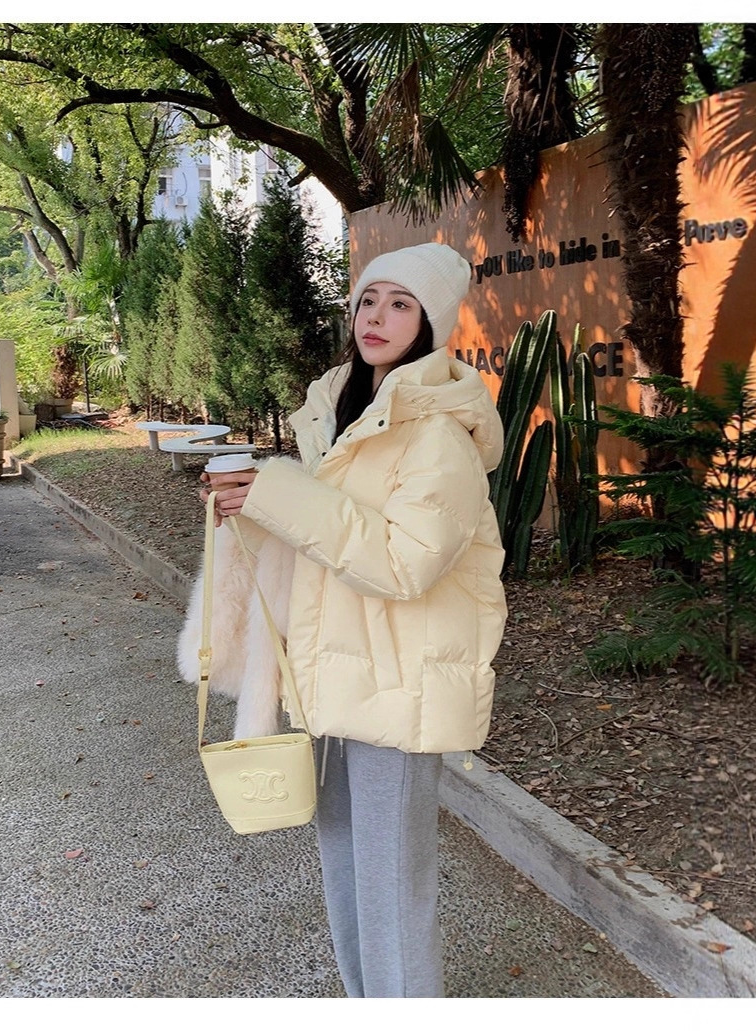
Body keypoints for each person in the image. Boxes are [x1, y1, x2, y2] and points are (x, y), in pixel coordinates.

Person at [198, 241, 507, 998]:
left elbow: (403, 563)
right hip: (335, 667)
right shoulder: (340, 411)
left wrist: (278, 496)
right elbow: (323, 534)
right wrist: (252, 505)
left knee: (392, 889)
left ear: (429, 324)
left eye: (401, 304)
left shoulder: (438, 434)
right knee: (343, 861)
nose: (378, 316)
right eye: (370, 299)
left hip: (399, 681)